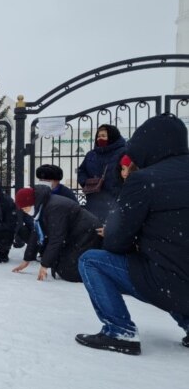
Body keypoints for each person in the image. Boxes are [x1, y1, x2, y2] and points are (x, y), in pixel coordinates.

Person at [76, 113, 189, 355]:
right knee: (173, 266)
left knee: (91, 261)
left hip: (167, 279)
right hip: (181, 277)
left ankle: (119, 331)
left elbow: (117, 241)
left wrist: (122, 238)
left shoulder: (145, 180)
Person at [12, 186, 102, 282]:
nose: (24, 211)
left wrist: (44, 265)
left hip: (87, 233)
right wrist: (27, 259)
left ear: (32, 203)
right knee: (60, 265)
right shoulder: (42, 206)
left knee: (69, 272)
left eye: (25, 207)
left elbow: (56, 238)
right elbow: (36, 233)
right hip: (76, 234)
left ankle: (101, 272)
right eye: (22, 209)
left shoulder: (53, 208)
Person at [77, 124, 126, 223]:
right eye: (98, 136)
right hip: (94, 200)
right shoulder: (91, 154)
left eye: (104, 136)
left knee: (112, 230)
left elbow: (130, 171)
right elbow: (81, 171)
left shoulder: (123, 152)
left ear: (112, 137)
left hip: (115, 200)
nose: (100, 139)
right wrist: (85, 182)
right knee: (94, 229)